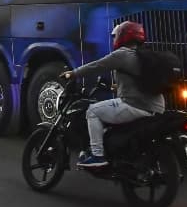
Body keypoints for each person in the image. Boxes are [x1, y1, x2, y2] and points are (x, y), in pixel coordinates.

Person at [60, 21, 165, 168]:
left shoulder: (122, 55)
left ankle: (97, 155)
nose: (114, 39)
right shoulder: (145, 56)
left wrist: (73, 73)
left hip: (135, 106)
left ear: (123, 36)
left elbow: (97, 66)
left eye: (116, 36)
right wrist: (115, 87)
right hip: (157, 108)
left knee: (92, 111)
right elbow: (140, 83)